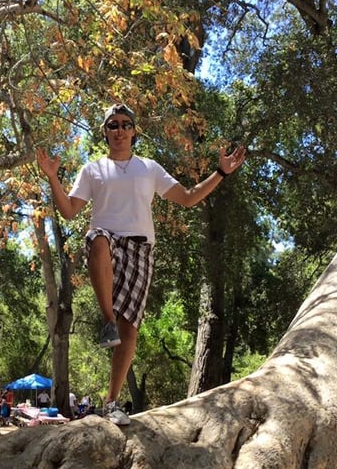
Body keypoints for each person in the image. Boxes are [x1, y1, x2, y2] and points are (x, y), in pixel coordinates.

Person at [37, 102, 246, 426]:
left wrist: (221, 173)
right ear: (105, 132)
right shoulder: (92, 170)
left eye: (125, 124)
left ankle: (111, 403)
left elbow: (188, 197)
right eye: (113, 125)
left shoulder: (149, 168)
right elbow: (69, 211)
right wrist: (53, 178)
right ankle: (108, 319)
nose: (119, 130)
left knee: (130, 330)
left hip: (140, 250)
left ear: (134, 131)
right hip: (107, 240)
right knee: (97, 240)